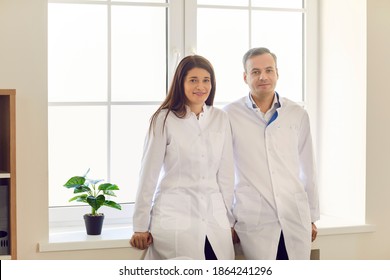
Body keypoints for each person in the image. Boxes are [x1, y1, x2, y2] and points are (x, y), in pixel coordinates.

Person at [130, 55, 235, 260]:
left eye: (206, 80)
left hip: (215, 219)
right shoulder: (164, 119)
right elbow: (148, 175)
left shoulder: (220, 118)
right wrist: (140, 225)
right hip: (175, 216)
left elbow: (226, 175)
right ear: (181, 83)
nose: (201, 86)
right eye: (193, 80)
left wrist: (229, 221)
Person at [224, 47, 320, 260]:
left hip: (295, 216)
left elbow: (308, 168)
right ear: (245, 77)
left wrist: (311, 216)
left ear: (277, 73)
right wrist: (227, 220)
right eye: (255, 72)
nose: (263, 77)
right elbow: (223, 173)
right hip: (254, 219)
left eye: (269, 70)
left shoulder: (297, 114)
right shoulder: (229, 114)